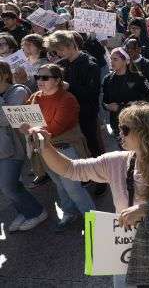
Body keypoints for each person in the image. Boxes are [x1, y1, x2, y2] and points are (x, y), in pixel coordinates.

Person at [28, 103, 149, 288]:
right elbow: (70, 169)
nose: (119, 131)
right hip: (127, 245)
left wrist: (145, 209)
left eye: (125, 128)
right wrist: (45, 146)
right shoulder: (116, 162)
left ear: (147, 133)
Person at [24, 63, 95, 232]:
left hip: (65, 148)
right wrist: (24, 126)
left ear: (57, 80)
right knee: (59, 184)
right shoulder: (35, 97)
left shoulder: (67, 99)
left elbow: (55, 128)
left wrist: (31, 128)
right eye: (37, 77)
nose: (40, 81)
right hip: (45, 148)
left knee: (72, 187)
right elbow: (24, 118)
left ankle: (93, 219)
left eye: (45, 77)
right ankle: (70, 212)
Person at [0, 61, 47, 232]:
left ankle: (36, 212)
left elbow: (7, 119)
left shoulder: (18, 91)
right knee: (9, 186)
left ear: (5, 74)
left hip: (13, 149)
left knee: (8, 186)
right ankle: (24, 210)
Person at [44, 31, 104, 158]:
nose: (59, 53)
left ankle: (100, 175)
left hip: (86, 114)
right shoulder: (60, 65)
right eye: (56, 51)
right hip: (66, 115)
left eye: (60, 49)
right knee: (75, 149)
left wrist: (70, 87)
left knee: (92, 146)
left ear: (71, 45)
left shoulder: (90, 65)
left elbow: (92, 94)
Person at [102, 47, 149, 139]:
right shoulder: (107, 79)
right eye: (111, 59)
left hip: (136, 123)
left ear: (125, 61)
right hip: (118, 125)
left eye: (115, 59)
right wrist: (107, 106)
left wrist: (130, 105)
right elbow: (104, 101)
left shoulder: (137, 77)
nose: (111, 62)